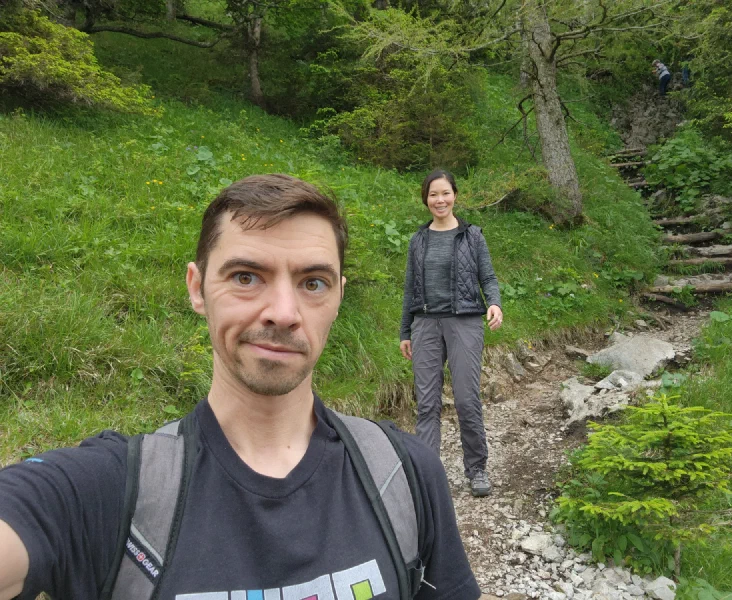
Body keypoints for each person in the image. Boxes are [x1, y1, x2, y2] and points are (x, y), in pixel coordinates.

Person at [0, 174, 482, 600]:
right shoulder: (103, 494)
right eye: (246, 276)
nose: (284, 313)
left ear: (338, 296)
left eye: (313, 283)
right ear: (197, 287)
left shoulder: (407, 474)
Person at [399, 170, 502, 499]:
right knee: (427, 403)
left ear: (455, 195)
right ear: (425, 199)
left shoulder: (472, 236)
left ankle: (476, 468)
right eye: (432, 195)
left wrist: (495, 303)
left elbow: (488, 276)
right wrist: (405, 331)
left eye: (444, 193)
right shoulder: (418, 240)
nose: (439, 200)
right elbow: (409, 290)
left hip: (465, 322)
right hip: (425, 324)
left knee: (466, 399)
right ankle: (428, 476)